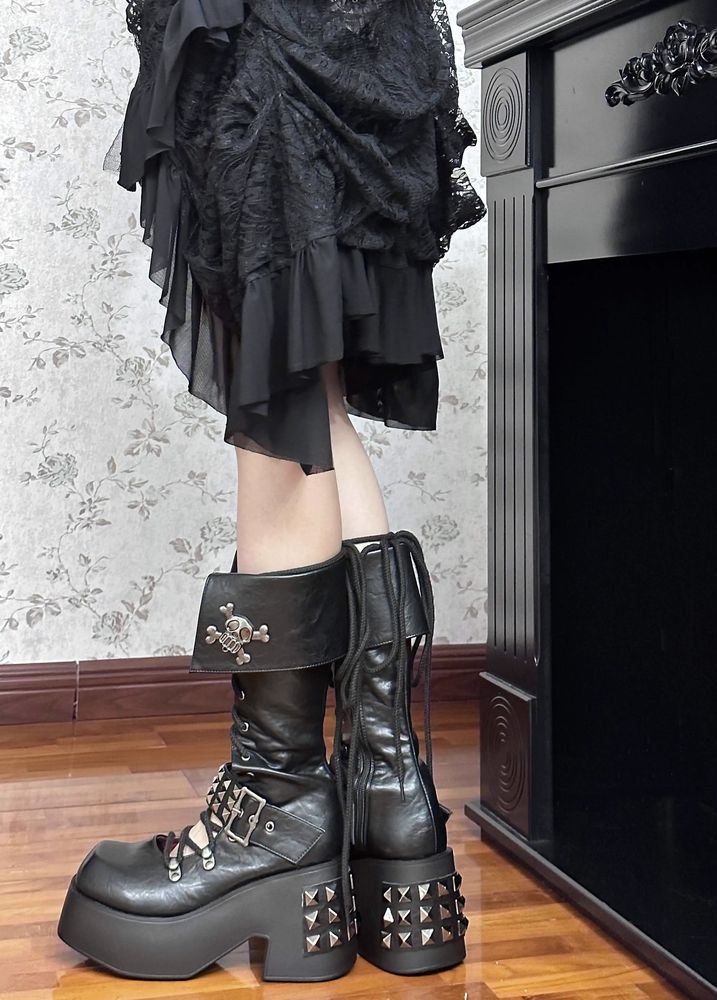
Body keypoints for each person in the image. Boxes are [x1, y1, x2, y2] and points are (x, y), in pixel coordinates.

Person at [57, 0, 486, 982]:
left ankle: (276, 804)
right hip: (353, 37)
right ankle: (388, 798)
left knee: (281, 379)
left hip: (272, 39)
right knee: (310, 386)